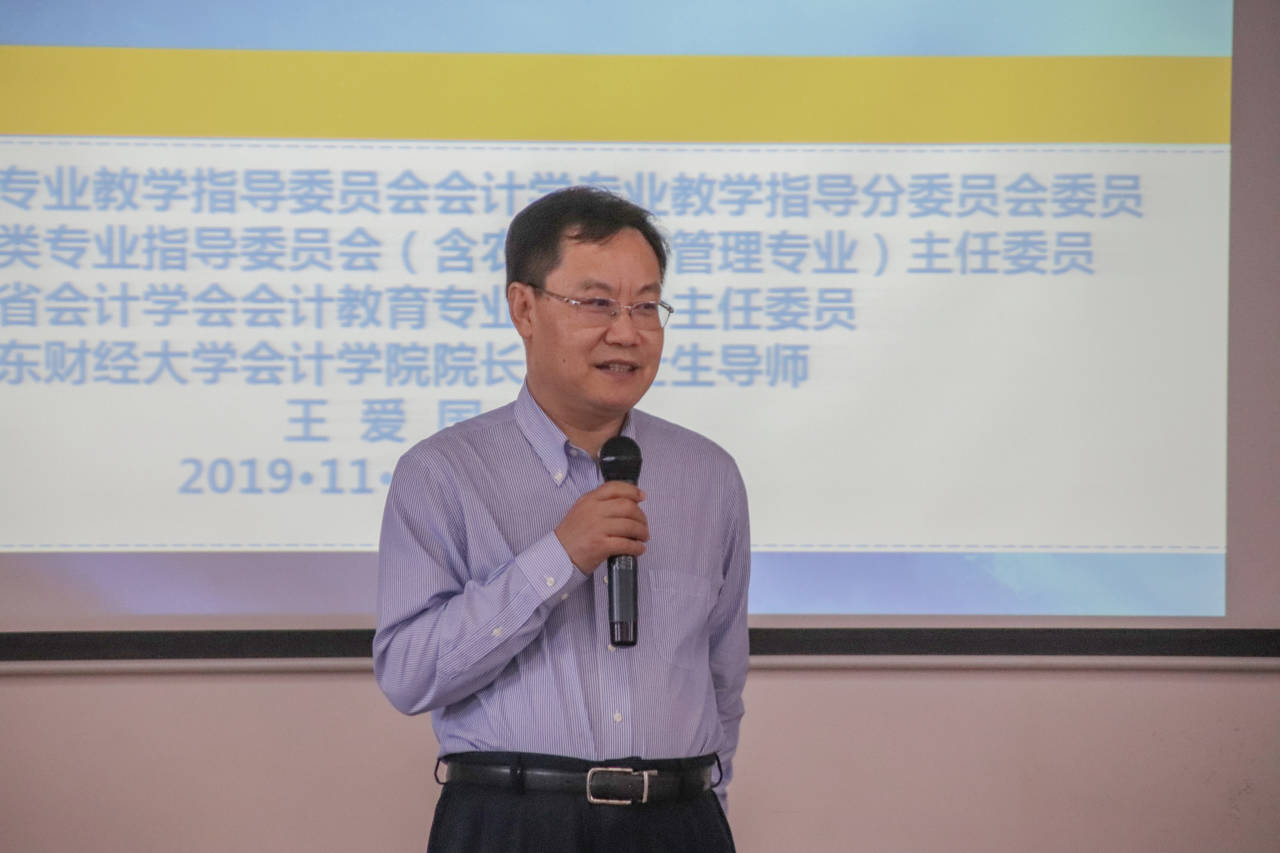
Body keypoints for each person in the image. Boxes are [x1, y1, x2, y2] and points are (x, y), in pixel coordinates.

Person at [374, 186, 750, 853]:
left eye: (646, 306)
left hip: (678, 819)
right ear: (524, 307)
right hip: (514, 822)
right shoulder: (441, 473)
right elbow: (408, 673)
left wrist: (704, 811)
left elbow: (723, 679)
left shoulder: (709, 475)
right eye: (597, 303)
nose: (627, 332)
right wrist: (558, 558)